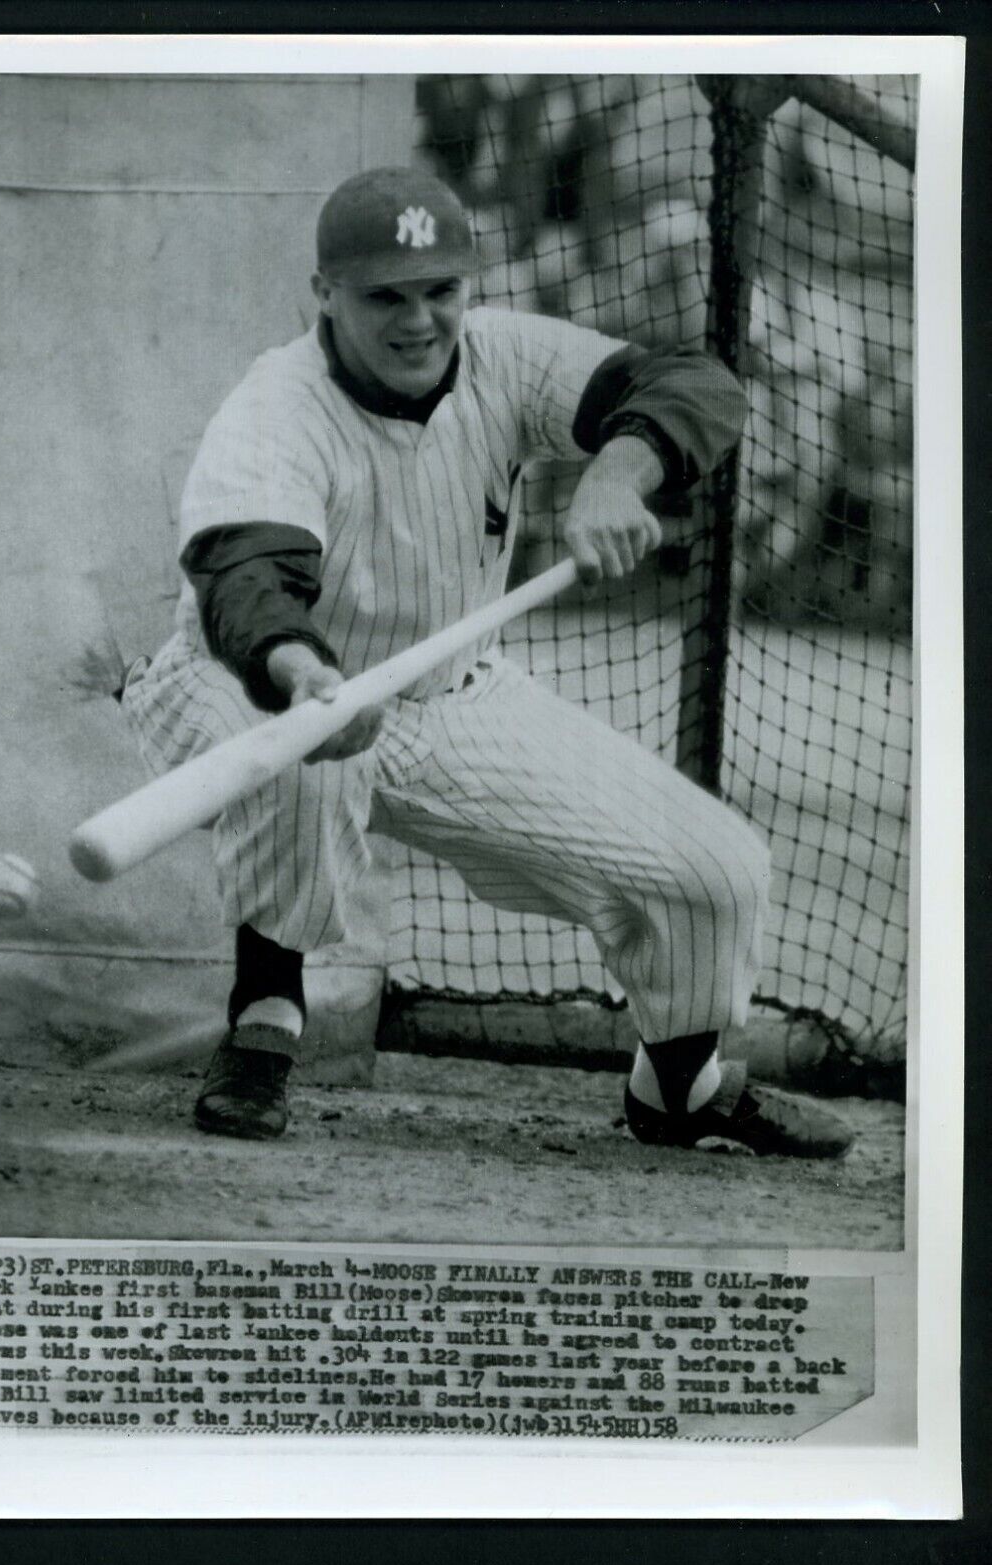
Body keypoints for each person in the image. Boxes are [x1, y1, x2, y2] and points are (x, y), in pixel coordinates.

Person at [122, 167, 853, 1159]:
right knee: (303, 746)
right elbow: (249, 582)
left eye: (442, 290)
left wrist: (617, 471)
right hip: (248, 678)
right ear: (324, 294)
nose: (420, 320)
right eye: (386, 295)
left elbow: (695, 385)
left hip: (454, 698)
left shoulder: (504, 355)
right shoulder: (276, 409)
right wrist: (301, 672)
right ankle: (267, 1013)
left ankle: (680, 1089)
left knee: (719, 872)